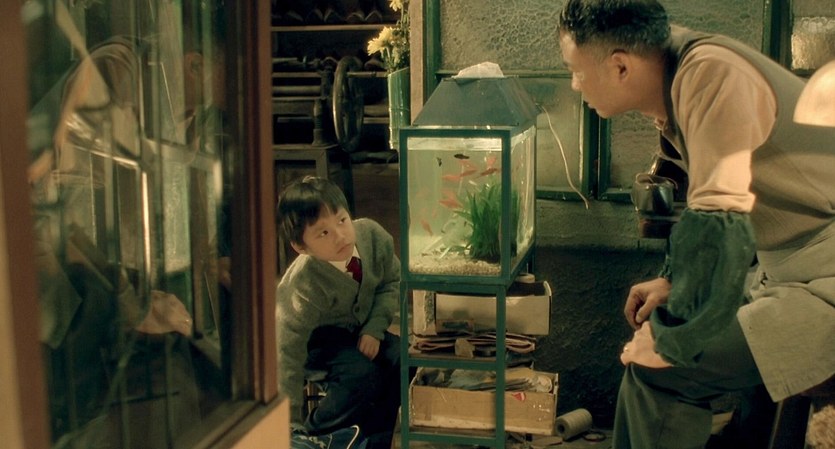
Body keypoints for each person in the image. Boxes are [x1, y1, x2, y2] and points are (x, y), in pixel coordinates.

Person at [557, 0, 835, 447]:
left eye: (576, 71)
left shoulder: (710, 75)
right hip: (781, 270)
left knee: (659, 370)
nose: (575, 85)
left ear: (620, 66)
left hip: (822, 282)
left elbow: (719, 222)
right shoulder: (672, 68)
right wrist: (674, 282)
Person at [275, 175, 401, 438]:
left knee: (402, 360)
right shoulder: (302, 283)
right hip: (316, 343)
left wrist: (374, 328)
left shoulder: (373, 237)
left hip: (361, 327)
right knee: (361, 375)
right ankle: (315, 435)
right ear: (301, 247)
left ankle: (375, 436)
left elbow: (391, 282)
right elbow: (287, 349)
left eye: (342, 220)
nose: (340, 236)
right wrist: (288, 423)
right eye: (323, 232)